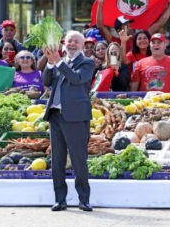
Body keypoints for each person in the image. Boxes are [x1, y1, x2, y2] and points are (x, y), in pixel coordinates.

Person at [42, 30, 95, 212]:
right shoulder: (59, 61)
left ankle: (84, 199)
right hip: (55, 116)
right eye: (69, 41)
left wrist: (57, 62)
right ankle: (60, 199)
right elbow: (46, 81)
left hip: (75, 117)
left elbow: (76, 78)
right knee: (57, 161)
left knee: (79, 160)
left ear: (82, 46)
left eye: (76, 42)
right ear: (64, 44)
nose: (72, 44)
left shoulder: (87, 62)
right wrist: (50, 63)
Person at [96, 0, 170, 54]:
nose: (130, 28)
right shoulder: (115, 41)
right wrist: (100, 4)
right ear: (118, 30)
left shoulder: (141, 38)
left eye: (129, 25)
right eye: (126, 26)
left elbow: (159, 23)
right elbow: (100, 26)